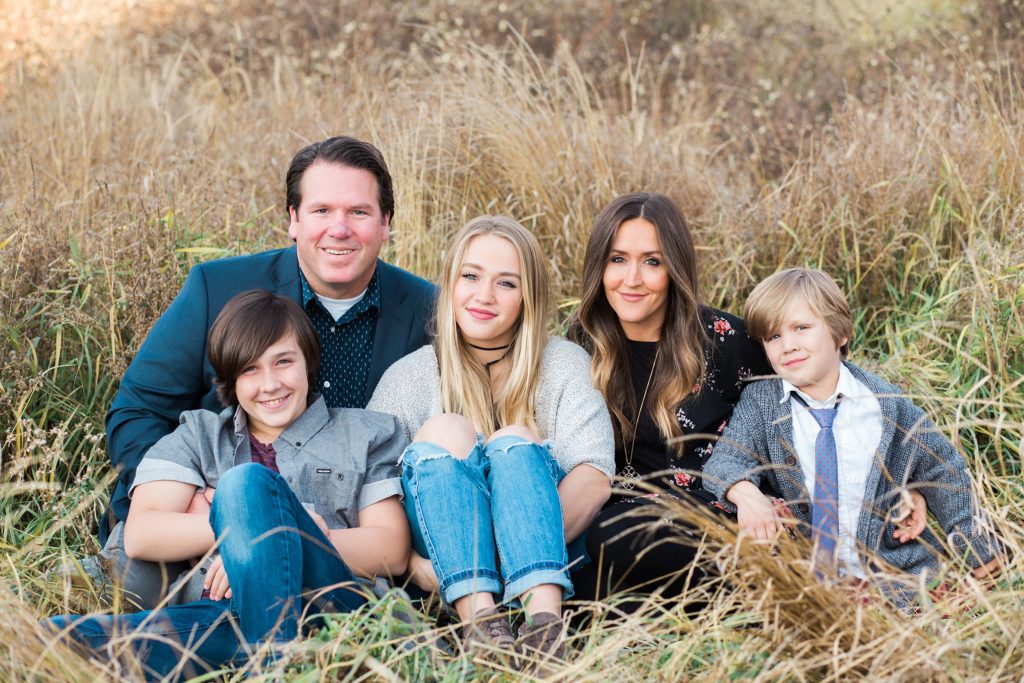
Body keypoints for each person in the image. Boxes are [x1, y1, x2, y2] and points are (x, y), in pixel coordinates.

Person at [97, 136, 434, 603]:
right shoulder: (218, 289)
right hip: (200, 521)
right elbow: (136, 411)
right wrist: (199, 499)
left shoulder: (430, 312)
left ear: (385, 224)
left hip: (350, 542)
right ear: (293, 220)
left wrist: (272, 533)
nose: (339, 229)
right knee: (140, 591)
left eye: (358, 212)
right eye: (320, 211)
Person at [48, 290, 410, 680]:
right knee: (55, 640)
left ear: (308, 362)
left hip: (328, 610)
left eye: (283, 362)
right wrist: (245, 533)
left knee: (246, 485)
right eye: (250, 369)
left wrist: (281, 531)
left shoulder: (367, 433)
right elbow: (141, 532)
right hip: (221, 619)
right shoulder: (198, 435)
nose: (270, 384)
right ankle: (276, 666)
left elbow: (391, 548)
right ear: (231, 379)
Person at [367, 216, 614, 666]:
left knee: (515, 439)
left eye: (506, 283)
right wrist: (414, 565)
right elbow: (373, 489)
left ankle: (544, 634)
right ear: (450, 283)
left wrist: (513, 550)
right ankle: (483, 630)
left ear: (529, 297)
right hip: (444, 570)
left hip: (547, 568)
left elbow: (594, 475)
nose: (484, 296)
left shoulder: (562, 363)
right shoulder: (409, 377)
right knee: (448, 430)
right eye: (471, 276)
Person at [703, 267, 1002, 603]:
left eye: (801, 328)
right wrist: (746, 495)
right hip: (804, 583)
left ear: (840, 332)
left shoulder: (887, 405)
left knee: (923, 625)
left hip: (894, 575)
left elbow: (942, 468)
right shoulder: (762, 403)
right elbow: (726, 459)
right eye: (773, 337)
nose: (787, 346)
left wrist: (976, 546)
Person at [566, 192, 775, 608]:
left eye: (652, 262)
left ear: (674, 268)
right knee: (582, 588)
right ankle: (698, 610)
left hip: (714, 515)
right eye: (618, 259)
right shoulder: (582, 340)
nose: (632, 279)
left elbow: (819, 386)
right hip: (612, 519)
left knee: (611, 542)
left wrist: (907, 482)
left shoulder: (726, 340)